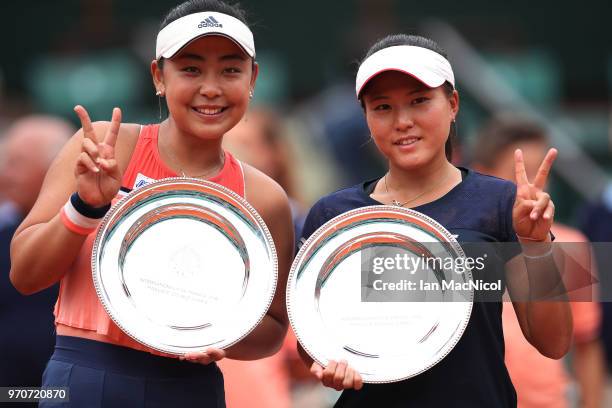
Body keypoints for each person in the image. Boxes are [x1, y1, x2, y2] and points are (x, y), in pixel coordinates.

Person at [9, 1, 294, 406]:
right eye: (191, 69)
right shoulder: (108, 146)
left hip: (189, 389)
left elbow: (272, 329)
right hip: (84, 380)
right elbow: (25, 274)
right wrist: (85, 206)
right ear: (159, 76)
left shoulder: (265, 197)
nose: (211, 88)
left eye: (231, 69)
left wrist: (220, 333)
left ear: (253, 79)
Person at [296, 34, 573, 407]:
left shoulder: (502, 203)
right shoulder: (333, 215)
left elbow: (553, 343)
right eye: (382, 107)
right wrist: (329, 365)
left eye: (419, 101)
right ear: (366, 117)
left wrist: (537, 246)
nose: (403, 121)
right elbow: (311, 345)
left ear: (453, 104)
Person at [472, 115, 605, 408]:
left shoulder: (572, 244)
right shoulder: (464, 245)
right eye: (520, 173)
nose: (535, 188)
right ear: (483, 175)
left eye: (541, 173)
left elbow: (587, 344)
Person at [0, 116, 73, 392]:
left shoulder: (87, 235)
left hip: (66, 392)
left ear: (55, 169)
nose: (5, 174)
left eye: (17, 163)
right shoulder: (3, 229)